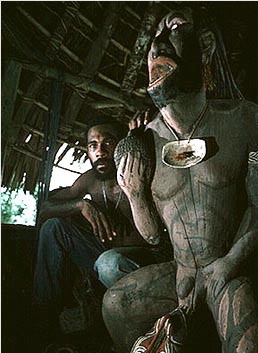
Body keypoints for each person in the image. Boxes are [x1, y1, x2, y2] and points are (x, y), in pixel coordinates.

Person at [102, 7, 258, 353]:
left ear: (203, 50)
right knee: (116, 305)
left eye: (175, 31)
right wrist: (135, 197)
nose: (158, 45)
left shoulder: (248, 121)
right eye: (153, 43)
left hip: (227, 270)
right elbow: (150, 239)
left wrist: (231, 262)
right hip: (181, 273)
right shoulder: (141, 142)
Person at [32, 114, 171, 322]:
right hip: (102, 257)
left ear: (121, 142)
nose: (100, 151)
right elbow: (45, 208)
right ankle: (44, 316)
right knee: (53, 228)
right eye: (93, 145)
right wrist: (81, 205)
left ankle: (146, 320)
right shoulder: (90, 180)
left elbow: (156, 237)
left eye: (108, 142)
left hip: (145, 260)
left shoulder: (144, 172)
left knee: (110, 263)